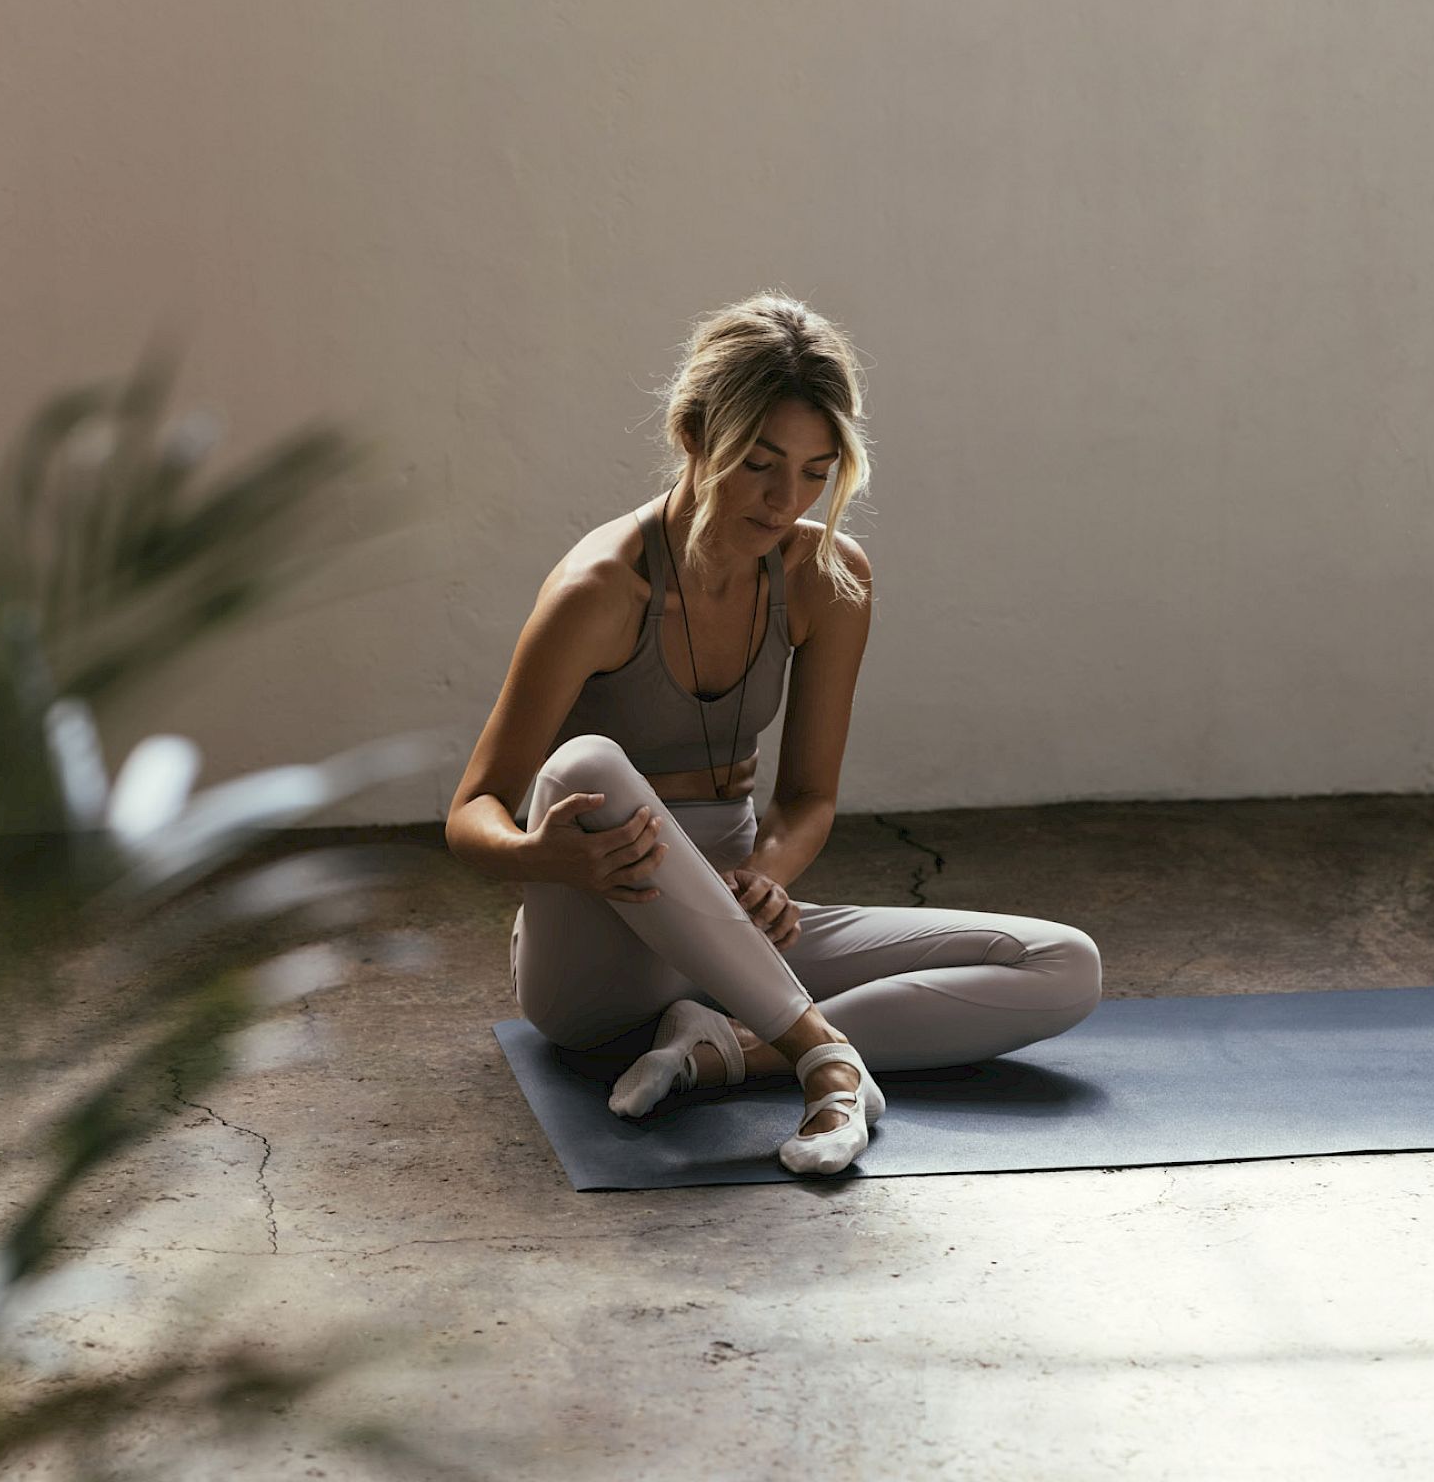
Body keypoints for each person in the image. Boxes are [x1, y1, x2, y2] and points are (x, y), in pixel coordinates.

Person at [446, 293, 1103, 1175]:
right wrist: (544, 856)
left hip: (740, 929)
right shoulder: (600, 590)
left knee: (1062, 963)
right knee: (586, 764)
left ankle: (725, 1051)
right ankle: (823, 1058)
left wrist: (766, 876)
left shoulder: (827, 579)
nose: (784, 499)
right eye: (759, 464)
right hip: (601, 957)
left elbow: (808, 798)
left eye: (814, 472)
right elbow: (471, 812)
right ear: (693, 434)